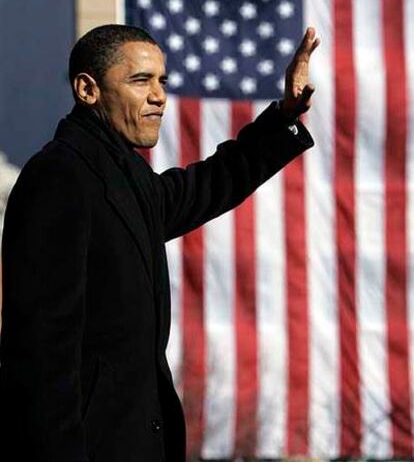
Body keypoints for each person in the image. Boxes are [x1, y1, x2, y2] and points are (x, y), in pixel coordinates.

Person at [0, 24, 319, 461]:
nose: (159, 96)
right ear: (87, 90)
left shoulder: (128, 178)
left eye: (162, 81)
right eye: (140, 80)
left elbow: (211, 183)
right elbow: (41, 354)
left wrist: (283, 116)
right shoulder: (59, 178)